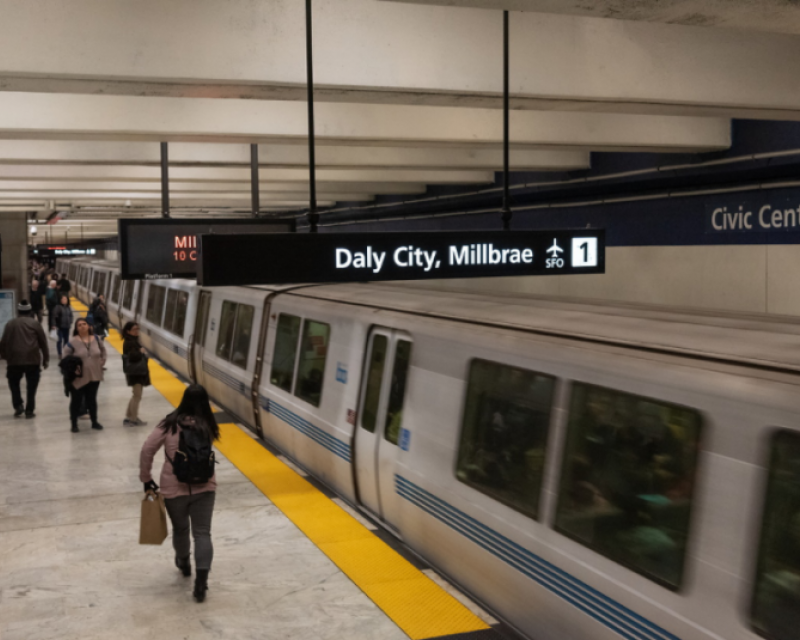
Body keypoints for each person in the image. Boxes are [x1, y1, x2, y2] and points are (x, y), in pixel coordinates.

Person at [140, 385, 219, 603]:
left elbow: (148, 449)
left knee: (181, 529)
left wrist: (146, 478)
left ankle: (184, 563)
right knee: (203, 533)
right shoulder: (208, 423)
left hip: (173, 488)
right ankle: (201, 583)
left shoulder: (169, 424)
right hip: (205, 486)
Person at [0, 300, 49, 418]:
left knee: (14, 383)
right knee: (31, 386)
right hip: (32, 359)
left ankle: (18, 406)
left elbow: (3, 343)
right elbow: (43, 342)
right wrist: (45, 359)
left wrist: (6, 357)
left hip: (14, 360)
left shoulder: (10, 324)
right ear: (30, 311)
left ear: (18, 311)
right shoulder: (35, 324)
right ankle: (29, 410)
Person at [64, 317, 106, 432]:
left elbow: (103, 351)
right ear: (77, 329)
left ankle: (94, 422)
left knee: (92, 400)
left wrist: (102, 362)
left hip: (95, 375)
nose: (82, 326)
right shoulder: (72, 342)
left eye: (84, 324)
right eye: (79, 325)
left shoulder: (97, 338)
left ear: (88, 326)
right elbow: (65, 358)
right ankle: (74, 424)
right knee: (76, 401)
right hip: (79, 378)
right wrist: (72, 369)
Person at [122, 321, 150, 426]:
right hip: (135, 372)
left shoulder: (132, 340)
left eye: (137, 329)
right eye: (134, 329)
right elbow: (133, 356)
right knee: (137, 396)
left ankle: (129, 415)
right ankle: (133, 420)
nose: (137, 331)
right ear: (128, 331)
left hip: (136, 372)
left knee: (135, 395)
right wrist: (141, 351)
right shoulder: (129, 342)